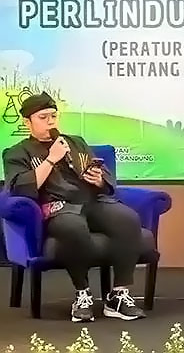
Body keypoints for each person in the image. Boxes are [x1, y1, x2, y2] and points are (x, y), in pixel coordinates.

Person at [2, 92, 146, 322]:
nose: (50, 122)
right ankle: (82, 294)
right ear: (28, 122)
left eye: (53, 116)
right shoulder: (17, 152)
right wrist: (51, 159)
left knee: (127, 218)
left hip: (91, 201)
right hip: (58, 206)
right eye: (43, 117)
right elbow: (22, 188)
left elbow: (104, 178)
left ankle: (118, 296)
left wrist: (98, 179)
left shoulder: (76, 142)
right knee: (73, 226)